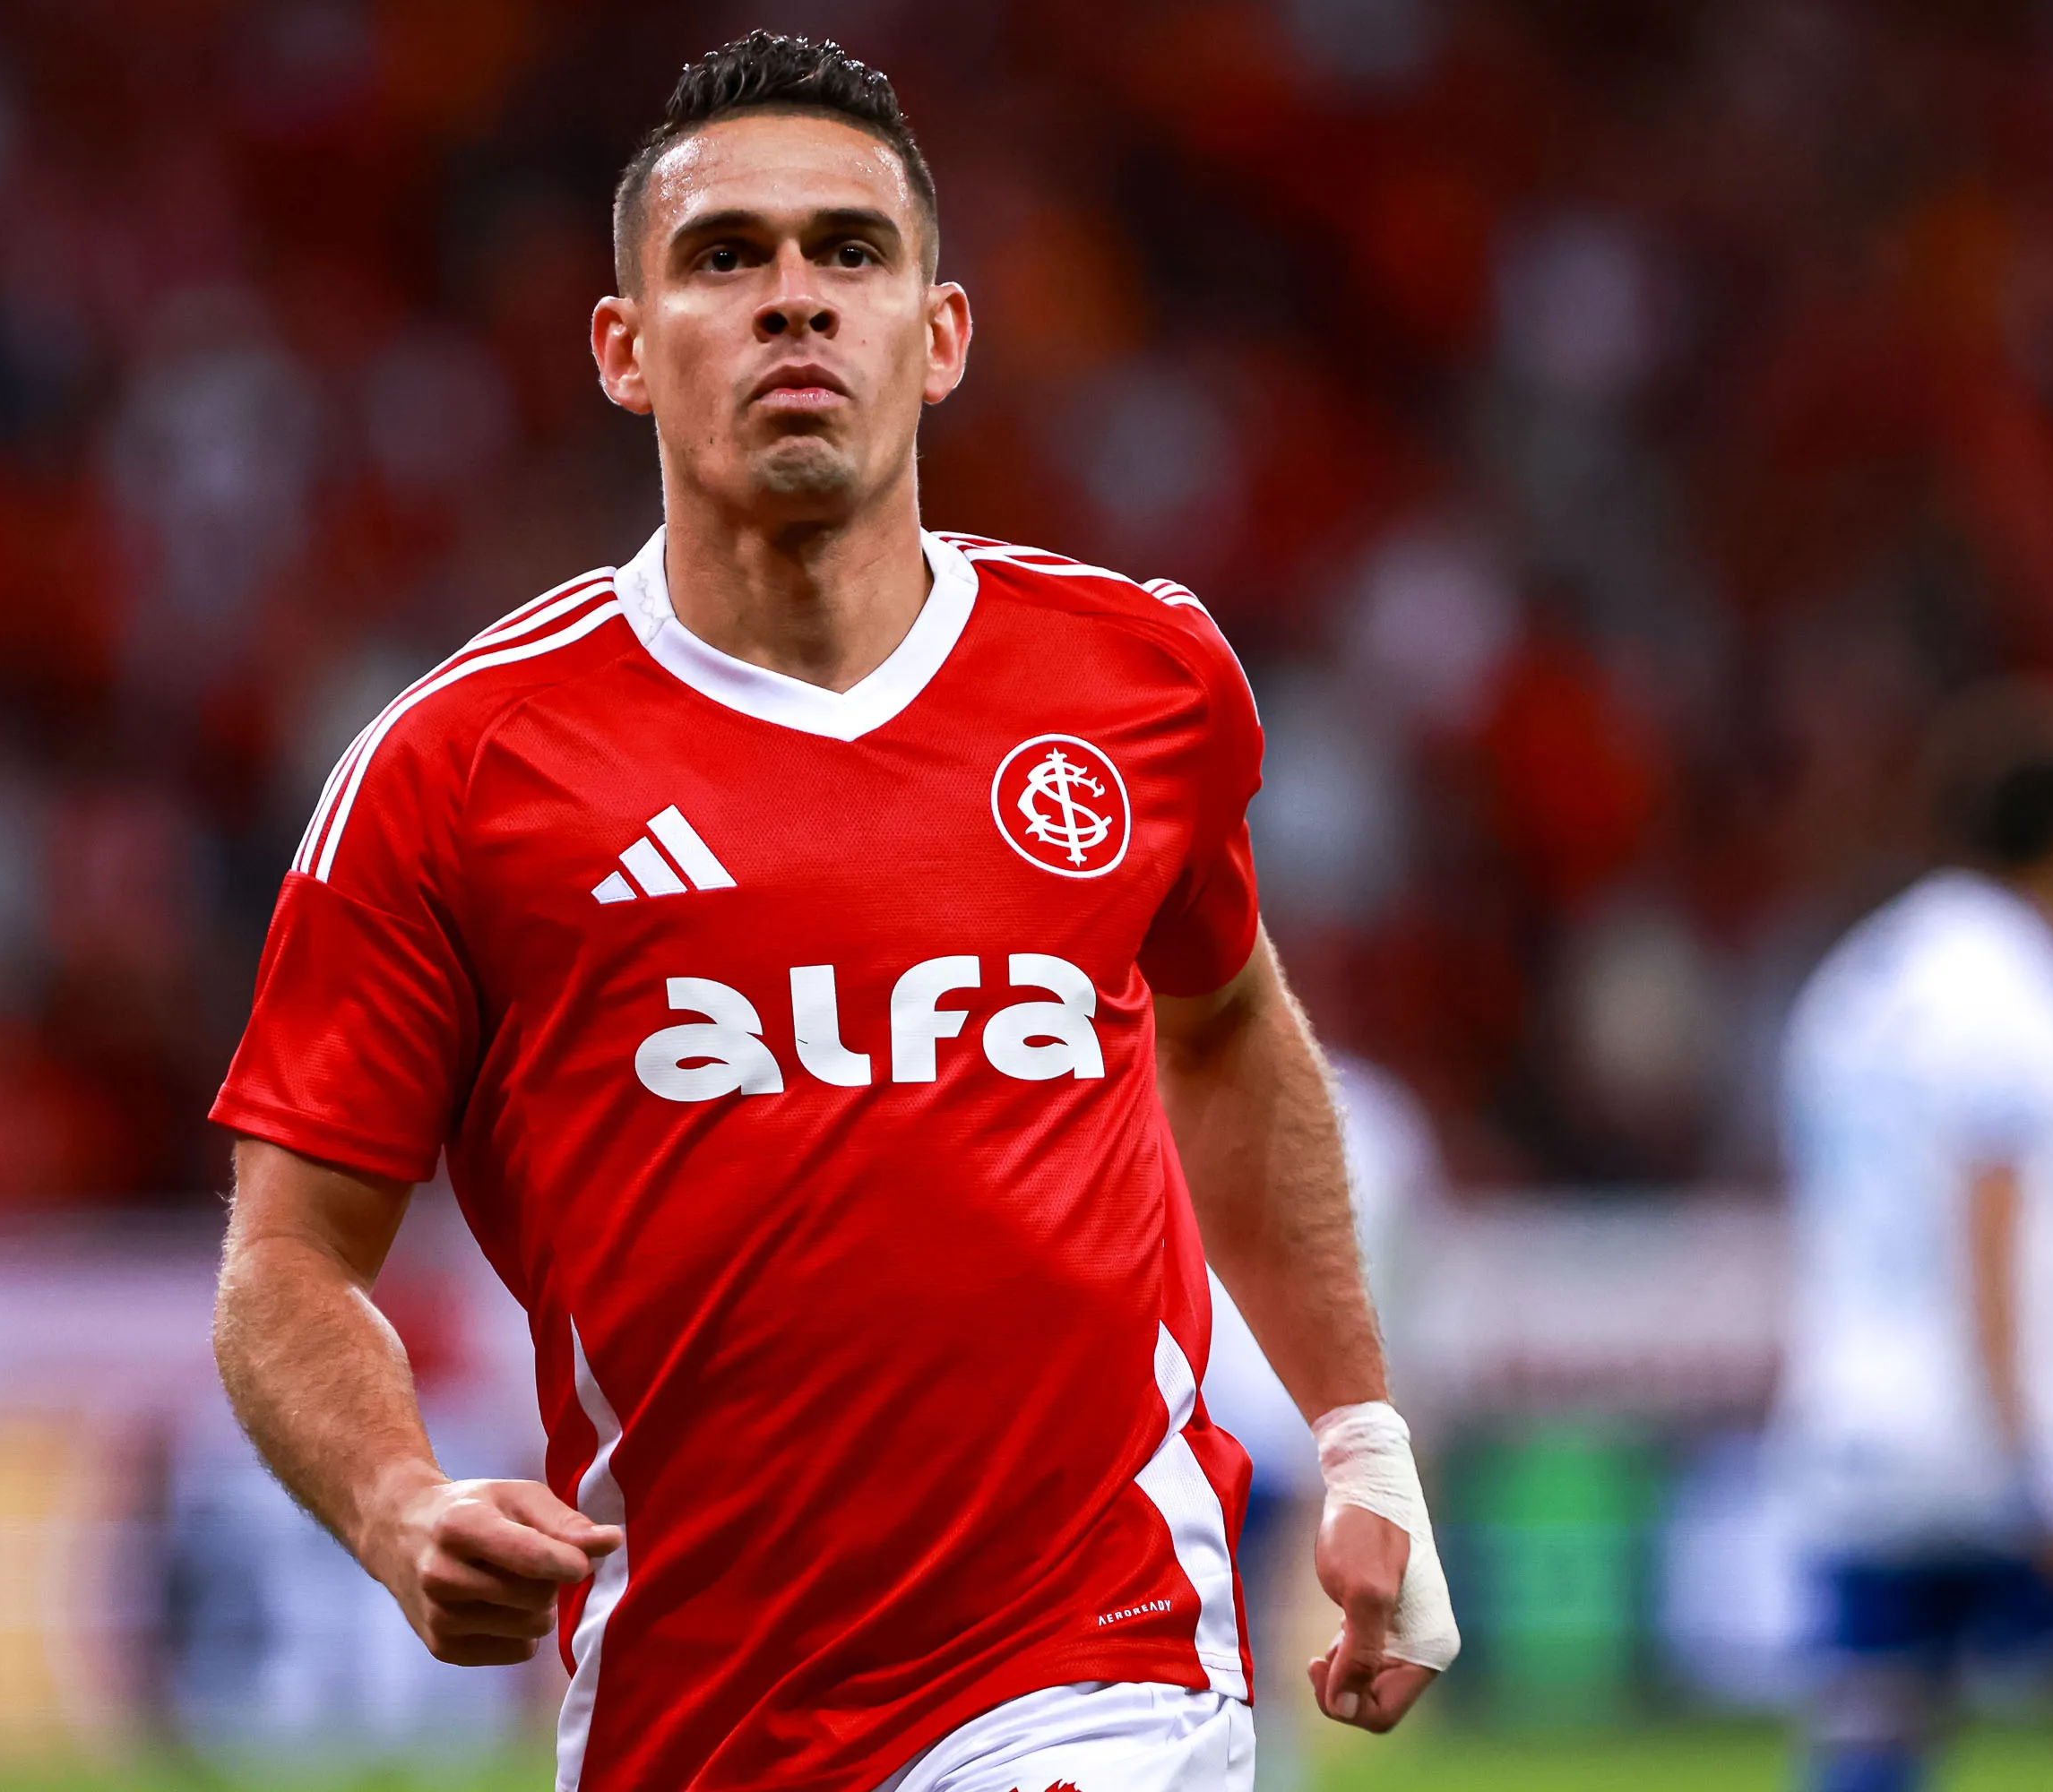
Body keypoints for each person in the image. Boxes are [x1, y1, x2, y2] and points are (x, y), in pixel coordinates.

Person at [207, 31, 1455, 1792]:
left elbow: (1226, 1020)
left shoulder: (1139, 679)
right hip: (686, 1717)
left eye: (850, 253)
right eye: (729, 258)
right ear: (625, 353)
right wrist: (397, 1500)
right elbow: (284, 1258)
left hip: (1100, 1676)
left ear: (938, 336)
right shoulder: (457, 769)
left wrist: (1363, 1435)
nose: (796, 301)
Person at [1774, 683, 2053, 1792]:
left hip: (1852, 1428)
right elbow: (1995, 1241)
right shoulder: (2031, 1000)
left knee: (1877, 1737)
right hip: (1989, 1437)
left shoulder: (1856, 981)